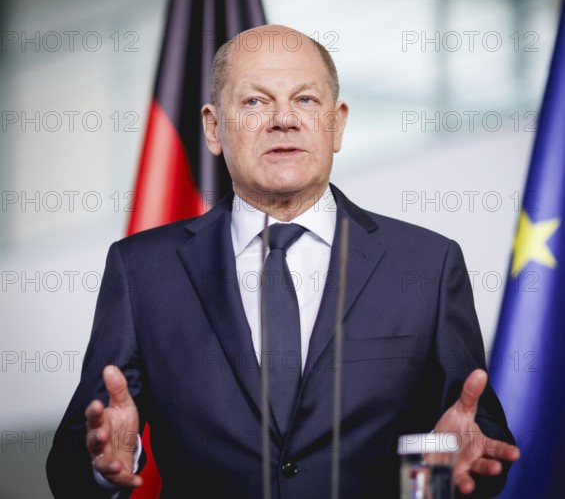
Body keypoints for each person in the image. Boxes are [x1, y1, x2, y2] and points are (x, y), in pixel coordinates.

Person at [46, 25, 519, 498]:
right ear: (213, 127)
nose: (283, 120)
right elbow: (72, 465)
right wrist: (105, 459)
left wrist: (457, 470)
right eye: (255, 102)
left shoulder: (428, 264)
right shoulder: (144, 270)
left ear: (337, 124)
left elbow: (475, 442)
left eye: (306, 101)